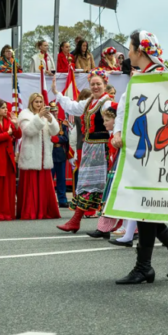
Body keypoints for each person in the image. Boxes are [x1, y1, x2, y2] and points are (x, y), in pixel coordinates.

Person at [110, 30, 168, 284]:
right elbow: (125, 107)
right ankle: (165, 251)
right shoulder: (143, 76)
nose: (128, 52)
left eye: (130, 48)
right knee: (143, 204)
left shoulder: (158, 76)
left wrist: (123, 132)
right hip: (140, 148)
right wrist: (118, 130)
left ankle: (147, 263)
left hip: (151, 150)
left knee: (142, 203)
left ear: (140, 51)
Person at [52, 69, 113, 233]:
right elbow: (72, 107)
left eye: (98, 84)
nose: (95, 87)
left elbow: (114, 124)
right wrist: (58, 94)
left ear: (105, 84)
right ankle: (78, 221)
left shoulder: (107, 103)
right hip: (90, 149)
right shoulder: (89, 102)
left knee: (100, 186)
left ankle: (90, 222)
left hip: (102, 149)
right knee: (88, 184)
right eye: (92, 84)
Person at [18, 93, 61, 220]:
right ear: (31, 102)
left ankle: (45, 211)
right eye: (36, 102)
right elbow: (28, 131)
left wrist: (51, 120)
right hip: (31, 154)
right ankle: (31, 211)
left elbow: (55, 131)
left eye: (40, 102)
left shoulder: (45, 116)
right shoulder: (25, 114)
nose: (39, 104)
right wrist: (39, 117)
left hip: (44, 155)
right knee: (31, 185)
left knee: (44, 185)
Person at [89, 102, 124, 238]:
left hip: (119, 171)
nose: (104, 123)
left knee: (117, 198)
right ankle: (104, 228)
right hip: (113, 170)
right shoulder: (112, 137)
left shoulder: (120, 137)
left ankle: (130, 228)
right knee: (110, 198)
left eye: (107, 120)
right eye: (104, 120)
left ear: (116, 120)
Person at [50, 102, 72, 208]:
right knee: (49, 179)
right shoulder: (45, 123)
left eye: (55, 110)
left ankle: (62, 199)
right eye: (52, 110)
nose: (54, 112)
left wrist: (56, 139)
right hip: (49, 154)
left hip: (60, 152)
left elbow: (66, 138)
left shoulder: (62, 123)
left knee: (61, 179)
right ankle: (49, 200)